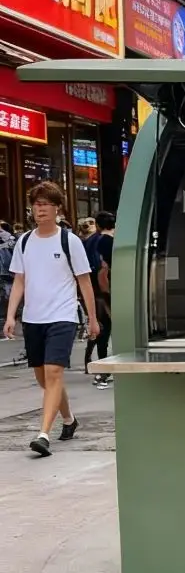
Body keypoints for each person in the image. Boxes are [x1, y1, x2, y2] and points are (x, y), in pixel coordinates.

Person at [3, 181, 99, 457]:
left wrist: (92, 319)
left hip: (63, 316)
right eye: (36, 204)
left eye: (46, 204)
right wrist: (11, 316)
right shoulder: (24, 242)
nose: (40, 209)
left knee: (54, 373)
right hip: (33, 318)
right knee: (45, 378)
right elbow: (19, 281)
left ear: (57, 208)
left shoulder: (70, 241)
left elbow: (85, 282)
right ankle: (69, 419)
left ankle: (43, 434)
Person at [83, 210, 115, 388]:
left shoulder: (89, 241)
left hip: (91, 289)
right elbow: (104, 269)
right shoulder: (109, 242)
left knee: (99, 325)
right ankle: (103, 369)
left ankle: (91, 360)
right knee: (106, 328)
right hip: (105, 291)